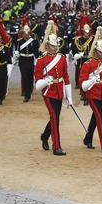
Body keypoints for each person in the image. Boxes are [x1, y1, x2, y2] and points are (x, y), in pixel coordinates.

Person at [34, 21, 71, 155]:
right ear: (47, 45)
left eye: (56, 46)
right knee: (54, 116)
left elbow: (66, 78)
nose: (54, 48)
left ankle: (45, 136)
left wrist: (69, 97)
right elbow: (37, 83)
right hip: (48, 92)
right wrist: (46, 81)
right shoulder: (41, 60)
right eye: (52, 45)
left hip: (59, 91)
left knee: (55, 117)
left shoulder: (61, 59)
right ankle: (57, 147)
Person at [79, 27, 102, 152]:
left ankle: (88, 138)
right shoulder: (88, 64)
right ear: (95, 51)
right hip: (92, 94)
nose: (101, 53)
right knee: (99, 116)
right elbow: (82, 82)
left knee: (95, 118)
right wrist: (93, 80)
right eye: (99, 51)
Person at [14, 16, 39, 103]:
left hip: (30, 60)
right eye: (25, 32)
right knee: (24, 77)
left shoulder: (34, 41)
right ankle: (27, 95)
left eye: (28, 32)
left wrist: (39, 59)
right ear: (23, 33)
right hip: (23, 60)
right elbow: (17, 50)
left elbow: (36, 53)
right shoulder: (19, 41)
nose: (26, 34)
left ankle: (29, 90)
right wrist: (15, 55)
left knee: (30, 77)